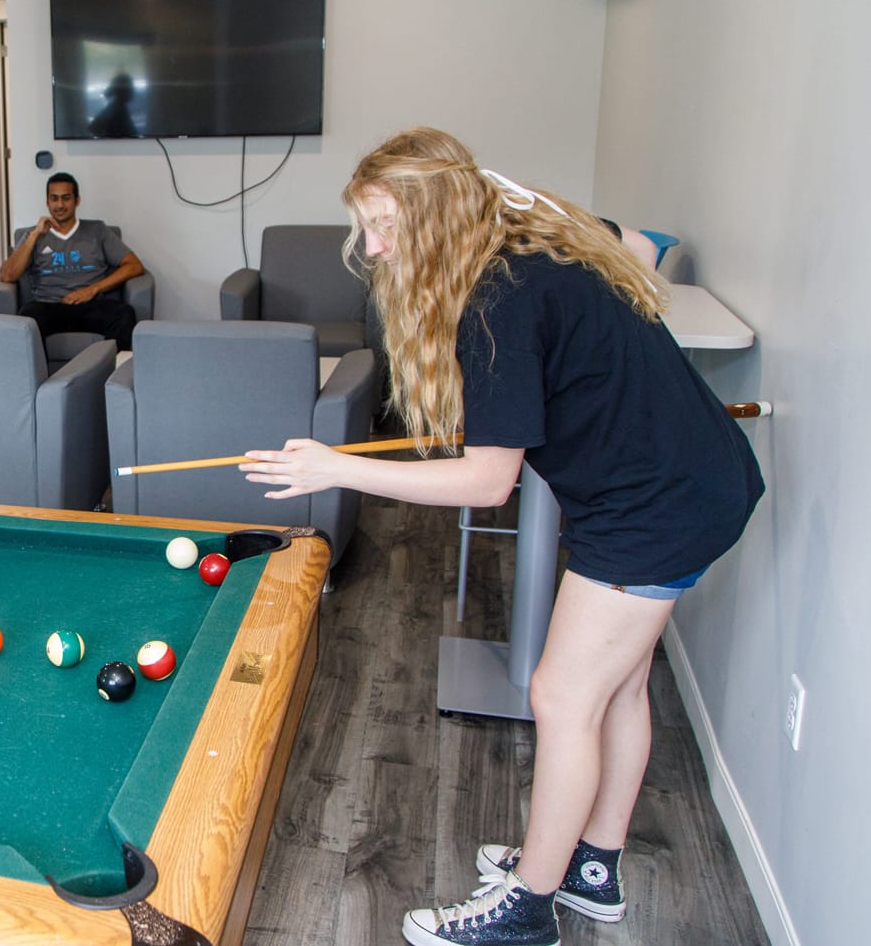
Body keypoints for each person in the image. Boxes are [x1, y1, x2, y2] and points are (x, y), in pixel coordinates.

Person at [238, 128, 763, 946]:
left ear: (438, 217)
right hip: (691, 482)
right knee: (618, 688)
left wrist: (337, 467)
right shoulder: (524, 235)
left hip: (656, 503)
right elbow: (635, 242)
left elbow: (488, 483)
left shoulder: (496, 301)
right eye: (367, 228)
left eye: (385, 226)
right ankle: (591, 869)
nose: (372, 249)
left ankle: (527, 907)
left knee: (563, 695)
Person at [0, 172, 146, 350]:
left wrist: (92, 289)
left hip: (91, 305)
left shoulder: (97, 230)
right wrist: (34, 236)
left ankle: (116, 368)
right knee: (28, 317)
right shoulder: (33, 235)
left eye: (66, 198)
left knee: (124, 314)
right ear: (47, 202)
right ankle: (35, 369)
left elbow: (135, 266)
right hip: (49, 306)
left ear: (77, 200)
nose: (60, 205)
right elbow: (7, 276)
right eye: (54, 198)